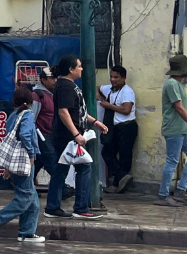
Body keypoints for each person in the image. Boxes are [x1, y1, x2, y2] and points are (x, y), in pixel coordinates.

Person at [44, 55, 107, 220]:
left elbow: (78, 111)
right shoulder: (65, 86)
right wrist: (76, 134)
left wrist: (94, 122)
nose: (81, 69)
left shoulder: (68, 86)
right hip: (67, 137)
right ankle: (80, 207)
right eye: (78, 66)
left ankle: (53, 206)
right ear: (71, 69)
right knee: (84, 167)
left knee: (61, 170)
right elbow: (63, 112)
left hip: (66, 135)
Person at [0, 85, 45, 243]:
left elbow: (9, 142)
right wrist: (31, 154)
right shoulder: (28, 115)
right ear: (30, 101)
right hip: (25, 161)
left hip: (16, 162)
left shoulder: (12, 116)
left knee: (33, 200)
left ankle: (27, 232)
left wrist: (7, 167)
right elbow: (25, 135)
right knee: (25, 197)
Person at [157, 54, 187, 206]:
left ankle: (181, 191)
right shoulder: (172, 84)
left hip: (182, 128)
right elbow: (179, 107)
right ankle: (163, 195)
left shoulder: (176, 84)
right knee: (172, 161)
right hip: (175, 128)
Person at [98, 65, 138, 193]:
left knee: (125, 156)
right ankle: (122, 177)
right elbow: (97, 88)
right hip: (114, 127)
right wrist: (100, 99)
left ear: (124, 78)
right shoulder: (109, 89)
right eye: (111, 77)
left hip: (127, 127)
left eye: (116, 77)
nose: (113, 80)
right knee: (107, 152)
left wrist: (109, 105)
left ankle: (118, 184)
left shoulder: (127, 91)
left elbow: (126, 110)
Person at [32, 66, 59, 196]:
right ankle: (61, 188)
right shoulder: (38, 95)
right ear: (43, 80)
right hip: (41, 135)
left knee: (39, 162)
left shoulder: (52, 94)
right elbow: (32, 117)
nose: (55, 80)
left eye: (56, 78)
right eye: (52, 78)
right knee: (52, 161)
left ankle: (27, 186)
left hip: (51, 134)